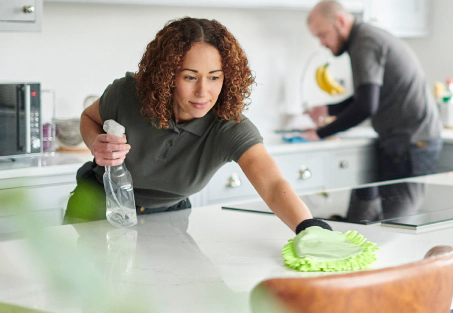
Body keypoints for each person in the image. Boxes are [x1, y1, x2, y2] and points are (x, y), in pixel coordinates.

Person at [64, 17, 330, 236]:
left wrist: (308, 228)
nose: (203, 91)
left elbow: (272, 183)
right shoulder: (127, 94)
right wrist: (96, 145)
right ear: (166, 76)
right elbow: (89, 118)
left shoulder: (229, 127)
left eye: (214, 77)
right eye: (190, 77)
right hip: (95, 208)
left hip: (169, 220)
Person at [301, 0, 442, 181]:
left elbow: (366, 106)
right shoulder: (366, 37)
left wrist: (320, 133)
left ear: (341, 21)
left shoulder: (364, 43)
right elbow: (367, 96)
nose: (322, 43)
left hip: (411, 143)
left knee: (400, 209)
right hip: (414, 140)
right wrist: (329, 110)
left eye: (323, 35)